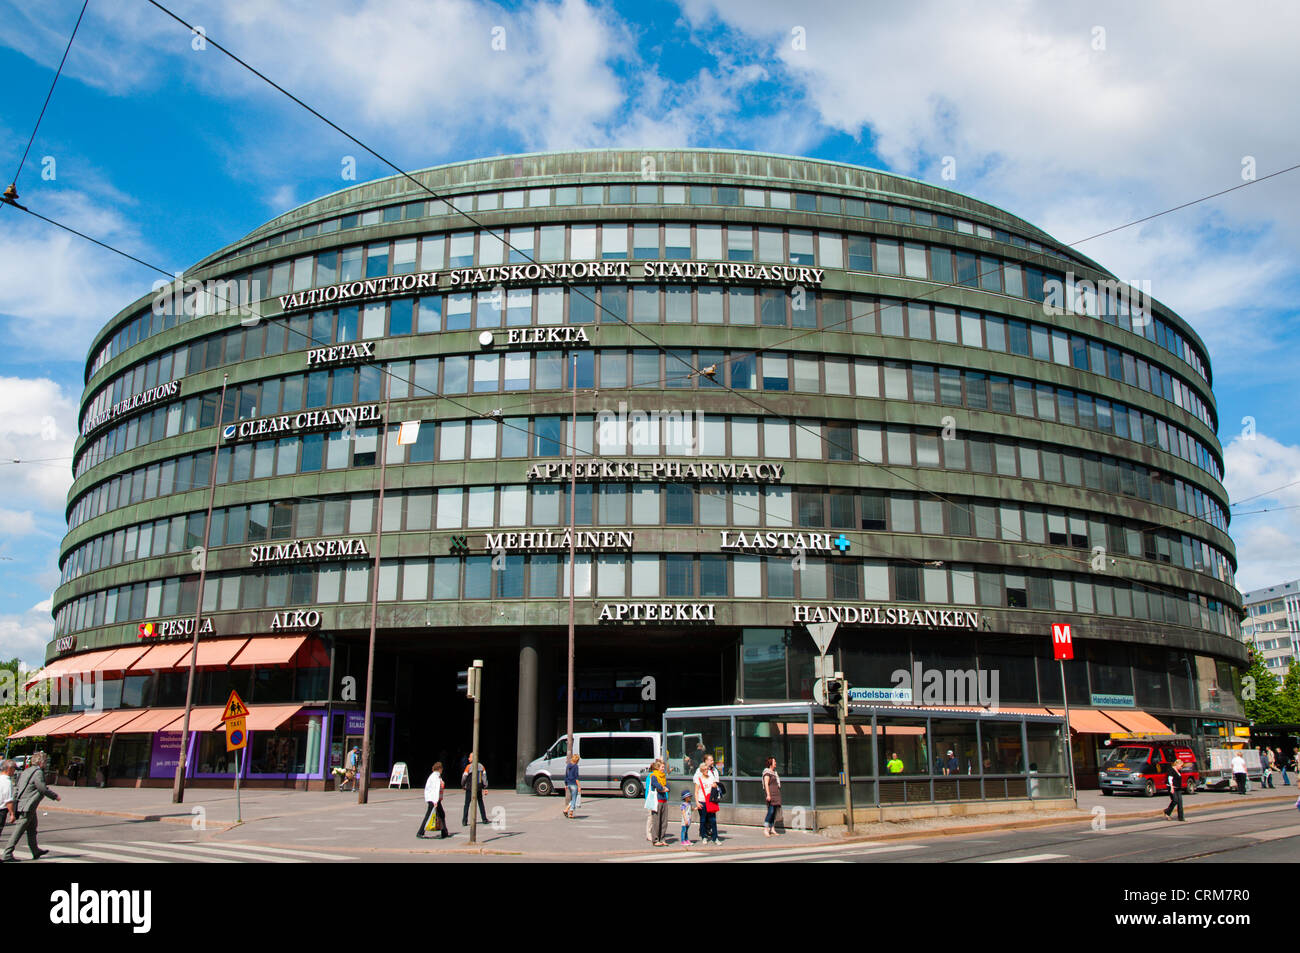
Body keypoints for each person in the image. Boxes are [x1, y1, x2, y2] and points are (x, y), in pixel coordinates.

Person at [2, 751, 61, 862]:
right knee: (18, 831)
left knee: (32, 829)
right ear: (40, 762)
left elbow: (17, 788)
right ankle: (7, 853)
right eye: (45, 761)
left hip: (24, 804)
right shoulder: (38, 772)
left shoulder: (26, 771)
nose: (45, 763)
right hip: (28, 805)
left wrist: (15, 804)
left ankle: (35, 851)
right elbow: (42, 788)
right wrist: (55, 796)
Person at [416, 762, 448, 839]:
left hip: (433, 799)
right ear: (439, 769)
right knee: (429, 815)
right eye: (441, 769)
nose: (442, 770)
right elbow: (435, 790)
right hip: (434, 800)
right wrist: (435, 801)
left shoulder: (435, 776)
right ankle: (420, 832)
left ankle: (444, 831)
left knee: (441, 814)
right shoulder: (435, 777)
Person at [693, 753, 720, 844]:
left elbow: (716, 783)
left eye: (707, 769)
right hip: (702, 800)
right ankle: (703, 835)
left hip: (711, 800)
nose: (706, 771)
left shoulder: (712, 773)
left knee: (713, 819)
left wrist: (715, 786)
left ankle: (715, 837)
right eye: (704, 770)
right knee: (703, 819)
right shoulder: (698, 777)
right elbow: (696, 791)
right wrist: (697, 802)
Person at [645, 759, 669, 846]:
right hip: (657, 800)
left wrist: (666, 788)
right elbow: (656, 784)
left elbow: (666, 784)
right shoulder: (654, 776)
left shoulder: (663, 776)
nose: (663, 769)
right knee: (656, 820)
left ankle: (662, 838)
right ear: (658, 767)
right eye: (662, 767)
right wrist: (663, 788)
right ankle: (655, 839)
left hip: (664, 800)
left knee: (664, 821)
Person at [461, 756, 488, 827]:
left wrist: (463, 785)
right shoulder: (481, 766)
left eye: (469, 757)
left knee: (467, 804)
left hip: (470, 788)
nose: (468, 759)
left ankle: (464, 820)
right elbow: (484, 777)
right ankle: (484, 819)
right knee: (480, 803)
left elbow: (464, 777)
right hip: (478, 788)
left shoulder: (468, 767)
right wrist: (485, 786)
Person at [762, 756, 782, 837]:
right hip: (771, 794)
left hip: (776, 794)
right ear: (771, 763)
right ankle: (766, 828)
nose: (776, 763)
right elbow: (766, 784)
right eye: (774, 762)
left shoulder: (775, 773)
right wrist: (768, 794)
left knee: (774, 813)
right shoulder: (767, 773)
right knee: (770, 811)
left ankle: (772, 828)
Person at [0, 760, 15, 840]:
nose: (14, 771)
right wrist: (12, 813)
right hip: (1, 810)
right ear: (9, 769)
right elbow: (8, 800)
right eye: (14, 768)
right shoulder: (7, 782)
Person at [563, 753, 581, 818]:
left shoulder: (568, 765)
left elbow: (566, 775)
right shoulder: (576, 766)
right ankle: (569, 812)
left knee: (573, 799)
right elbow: (576, 777)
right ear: (577, 760)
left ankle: (567, 809)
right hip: (574, 784)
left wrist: (566, 784)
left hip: (569, 784)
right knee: (574, 799)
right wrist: (579, 786)